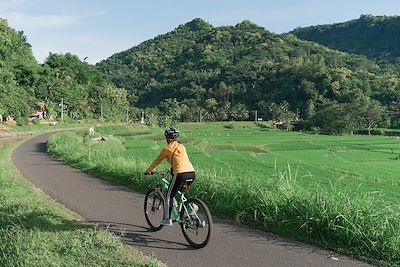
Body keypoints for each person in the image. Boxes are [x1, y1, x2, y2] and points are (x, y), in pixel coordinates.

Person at [144, 127, 196, 226]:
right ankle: (192, 206)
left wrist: (148, 171)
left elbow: (157, 161)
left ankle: (167, 219)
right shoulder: (181, 146)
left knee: (169, 196)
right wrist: (172, 171)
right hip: (191, 173)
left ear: (167, 138)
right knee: (181, 191)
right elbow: (179, 161)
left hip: (180, 174)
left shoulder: (167, 149)